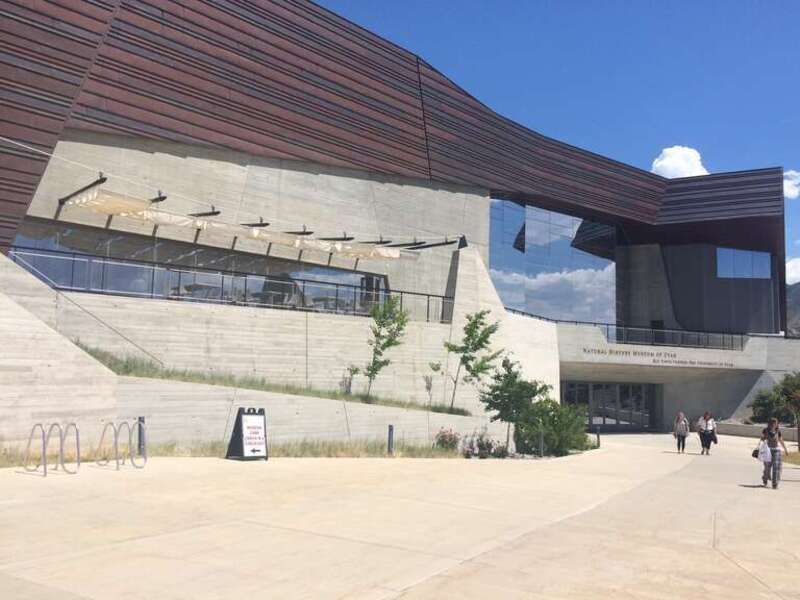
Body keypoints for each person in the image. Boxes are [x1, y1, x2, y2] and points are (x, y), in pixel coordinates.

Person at [760, 417, 790, 489]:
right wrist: (763, 439)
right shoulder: (765, 430)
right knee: (767, 467)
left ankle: (775, 484)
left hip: (776, 451)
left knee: (776, 467)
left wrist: (785, 450)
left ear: (777, 424)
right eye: (772, 423)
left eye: (775, 423)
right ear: (770, 423)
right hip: (767, 451)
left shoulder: (778, 431)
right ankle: (765, 479)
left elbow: (781, 440)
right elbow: (762, 439)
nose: (774, 424)